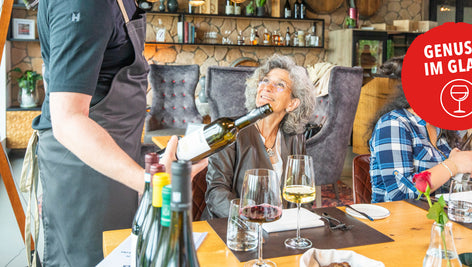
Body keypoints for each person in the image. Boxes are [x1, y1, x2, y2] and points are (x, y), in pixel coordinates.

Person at [31, 1, 206, 265]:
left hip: (116, 158)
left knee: (118, 254)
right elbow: (68, 119)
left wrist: (143, 166)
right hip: (82, 169)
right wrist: (150, 182)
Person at [203, 54, 316, 219]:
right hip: (232, 228)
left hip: (279, 230)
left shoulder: (294, 137)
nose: (267, 87)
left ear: (292, 104)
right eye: (265, 80)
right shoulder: (230, 132)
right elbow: (216, 194)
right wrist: (248, 219)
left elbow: (301, 191)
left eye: (279, 85)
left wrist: (297, 225)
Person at [368, 56, 472, 203]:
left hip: (437, 218)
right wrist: (452, 165)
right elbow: (402, 192)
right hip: (396, 222)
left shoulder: (443, 126)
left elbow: (464, 186)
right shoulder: (394, 123)